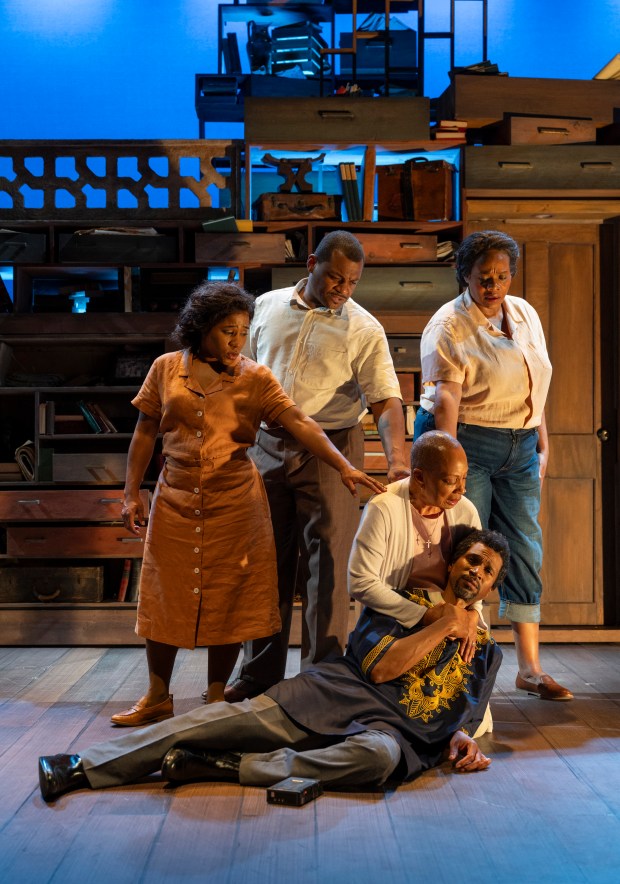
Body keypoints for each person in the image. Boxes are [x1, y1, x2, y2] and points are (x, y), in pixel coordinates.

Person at [38, 529, 509, 802]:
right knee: (222, 717)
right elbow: (383, 671)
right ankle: (81, 765)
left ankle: (227, 767)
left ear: (490, 589)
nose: (476, 572)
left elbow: (467, 714)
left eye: (487, 571)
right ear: (452, 565)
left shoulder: (489, 653)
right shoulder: (400, 603)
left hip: (394, 734)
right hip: (332, 697)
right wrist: (446, 624)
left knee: (379, 759)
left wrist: (462, 737)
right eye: (472, 560)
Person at [114, 281, 385, 726]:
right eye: (227, 331)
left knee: (227, 595)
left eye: (243, 331)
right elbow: (145, 432)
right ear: (201, 329)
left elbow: (299, 420)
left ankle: (217, 697)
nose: (238, 341)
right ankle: (158, 695)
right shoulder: (165, 369)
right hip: (176, 499)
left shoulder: (255, 377)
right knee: (165, 594)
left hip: (234, 501)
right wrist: (130, 494)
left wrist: (342, 465)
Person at [225, 230, 409, 702]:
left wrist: (397, 460)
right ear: (311, 264)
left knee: (327, 564)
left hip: (332, 447)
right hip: (266, 443)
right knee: (267, 561)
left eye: (351, 282)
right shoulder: (265, 307)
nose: (342, 290)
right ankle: (259, 673)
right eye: (334, 278)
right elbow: (238, 373)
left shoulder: (363, 327)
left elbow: (386, 400)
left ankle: (321, 678)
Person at [414, 230, 572, 701]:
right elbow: (446, 402)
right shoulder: (449, 326)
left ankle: (531, 668)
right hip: (467, 439)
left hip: (520, 444)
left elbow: (536, 380)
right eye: (485, 278)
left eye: (503, 276)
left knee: (525, 546)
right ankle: (464, 658)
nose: (494, 286)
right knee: (466, 548)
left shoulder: (524, 313)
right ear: (465, 275)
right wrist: (451, 469)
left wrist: (543, 440)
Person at [349, 430, 483, 666]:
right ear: (419, 477)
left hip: (450, 616)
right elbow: (360, 581)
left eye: (464, 479)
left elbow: (477, 571)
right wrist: (427, 616)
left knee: (480, 664)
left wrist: (473, 615)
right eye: (451, 481)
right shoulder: (384, 507)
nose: (461, 490)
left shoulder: (466, 510)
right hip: (393, 620)